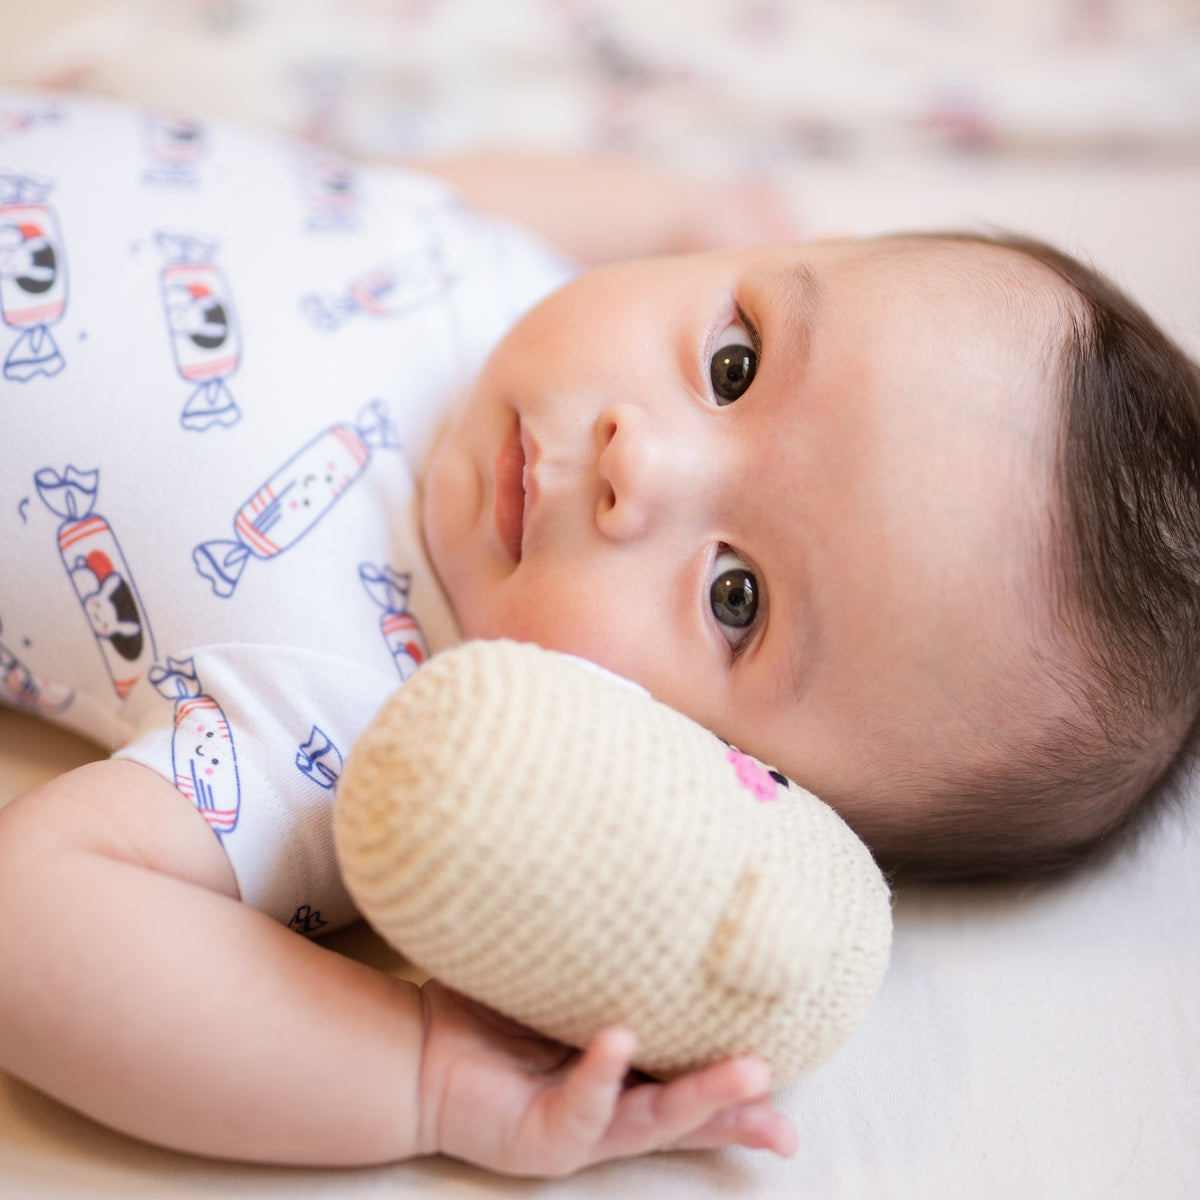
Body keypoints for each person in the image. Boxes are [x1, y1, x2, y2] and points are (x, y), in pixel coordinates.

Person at [1, 87, 1198, 1177]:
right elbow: (448, 182)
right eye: (738, 360)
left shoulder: (350, 720)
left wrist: (415, 1075)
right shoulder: (529, 278)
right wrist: (679, 204)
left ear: (705, 778)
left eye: (738, 598)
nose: (643, 459)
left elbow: (40, 915)